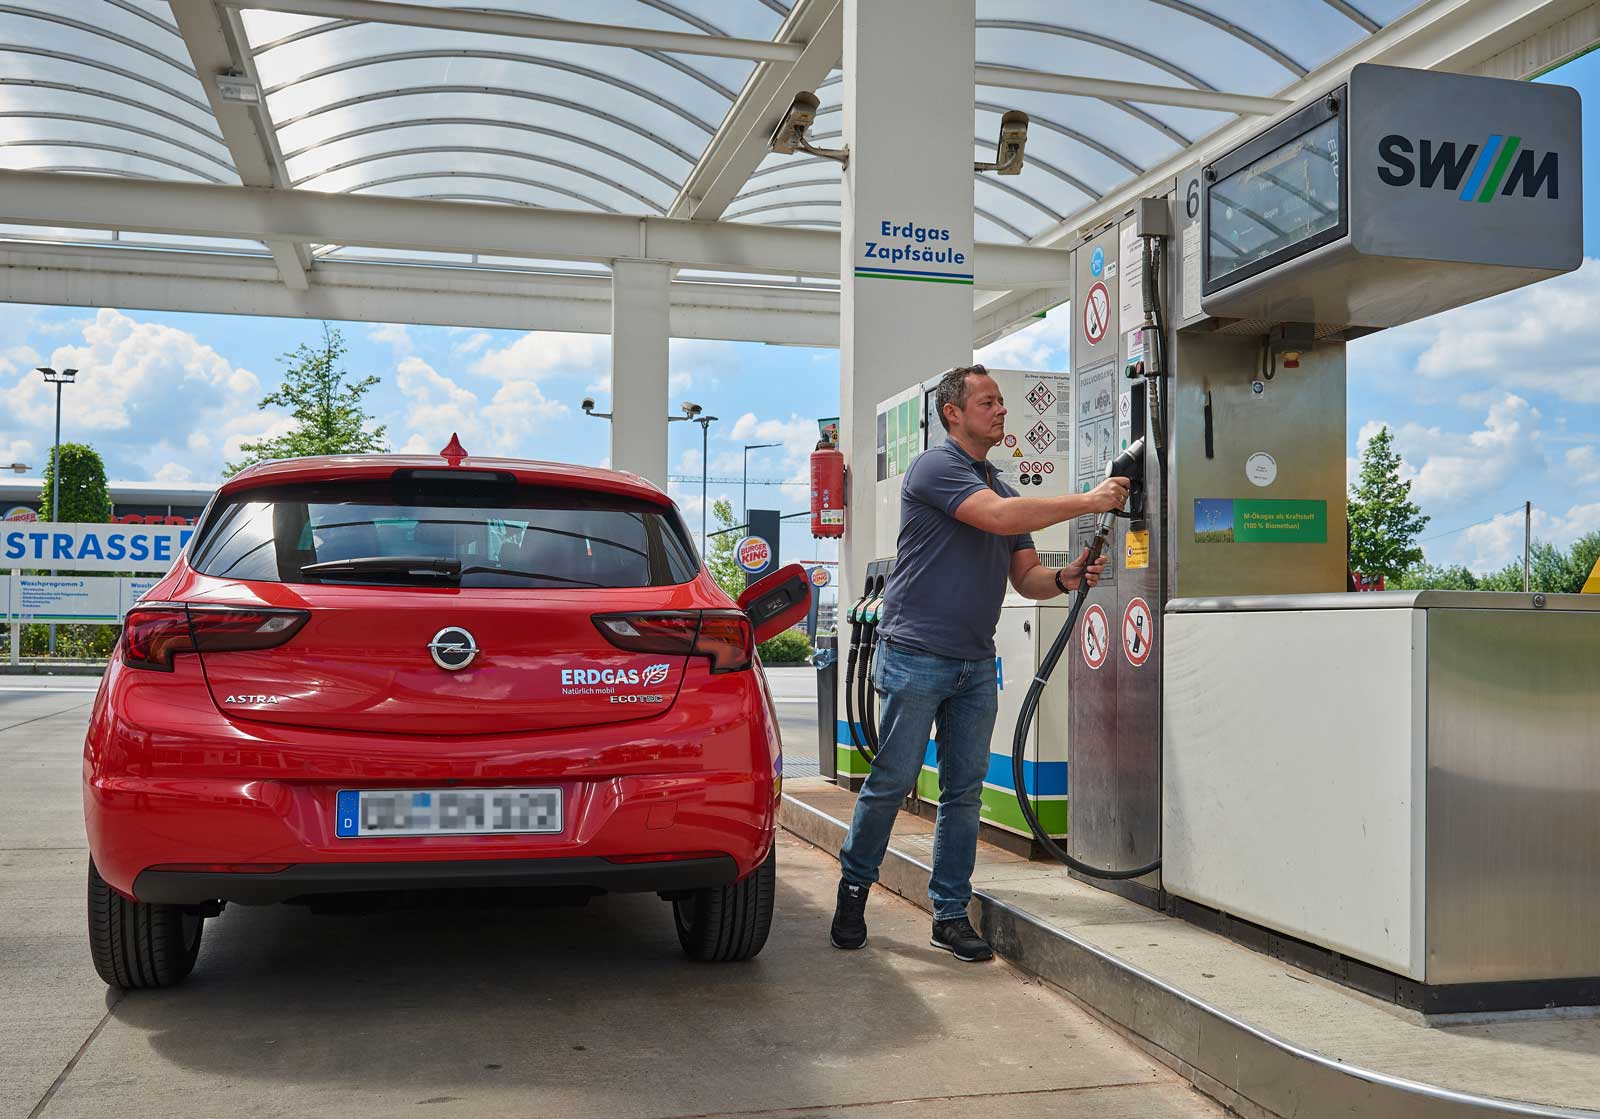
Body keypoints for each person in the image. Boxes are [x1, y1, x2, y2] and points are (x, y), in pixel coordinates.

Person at [830, 364, 1129, 962]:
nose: (1001, 411)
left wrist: (1066, 578)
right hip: (915, 653)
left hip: (973, 662)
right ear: (953, 414)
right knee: (891, 782)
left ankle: (948, 914)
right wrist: (1089, 500)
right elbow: (995, 518)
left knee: (963, 792)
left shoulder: (1005, 488)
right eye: (988, 402)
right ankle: (854, 888)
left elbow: (1027, 577)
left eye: (1001, 402)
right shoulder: (935, 468)